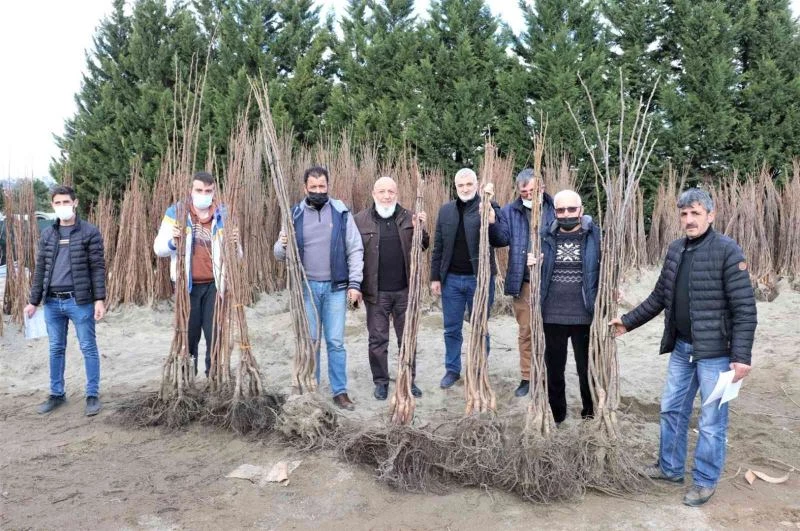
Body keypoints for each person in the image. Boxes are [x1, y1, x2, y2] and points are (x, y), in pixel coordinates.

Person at [610, 188, 757, 507]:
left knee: (711, 420)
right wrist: (627, 321)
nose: (689, 220)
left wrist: (741, 357)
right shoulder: (676, 250)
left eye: (695, 213)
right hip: (682, 349)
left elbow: (745, 308)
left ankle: (705, 481)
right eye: (684, 214)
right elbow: (659, 297)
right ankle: (670, 468)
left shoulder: (728, 251)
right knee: (671, 408)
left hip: (716, 355)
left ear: (710, 215)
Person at [274, 166, 364, 410]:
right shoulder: (294, 214)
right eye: (312, 187)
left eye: (321, 186)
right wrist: (283, 245)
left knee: (335, 341)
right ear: (305, 188)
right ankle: (312, 386)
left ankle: (340, 392)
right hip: (306, 288)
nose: (317, 191)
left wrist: (355, 284)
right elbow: (279, 254)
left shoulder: (341, 212)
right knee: (311, 340)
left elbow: (355, 249)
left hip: (336, 288)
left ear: (328, 186)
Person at [24, 185, 106, 417]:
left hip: (79, 301)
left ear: (75, 203)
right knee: (55, 348)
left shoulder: (89, 232)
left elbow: (97, 267)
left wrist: (99, 299)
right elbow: (41, 269)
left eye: (66, 202)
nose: (62, 207)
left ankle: (92, 394)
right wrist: (33, 301)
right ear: (52, 205)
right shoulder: (48, 234)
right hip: (52, 302)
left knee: (88, 346)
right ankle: (57, 394)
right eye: (57, 203)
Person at [354, 176, 429, 400]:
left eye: (391, 192)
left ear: (397, 194)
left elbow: (423, 246)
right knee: (377, 339)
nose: (386, 196)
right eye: (382, 192)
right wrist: (355, 286)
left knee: (407, 337)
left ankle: (408, 379)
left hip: (404, 291)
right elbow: (354, 255)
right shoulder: (360, 220)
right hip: (375, 293)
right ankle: (381, 382)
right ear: (373, 194)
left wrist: (421, 229)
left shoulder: (409, 217)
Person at [154, 171, 229, 377]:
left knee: (214, 334)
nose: (203, 194)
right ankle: (188, 378)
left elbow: (237, 254)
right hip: (187, 286)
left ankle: (213, 376)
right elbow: (159, 248)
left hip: (215, 285)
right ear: (191, 190)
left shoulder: (223, 214)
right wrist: (173, 242)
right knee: (189, 335)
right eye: (199, 190)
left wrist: (234, 244)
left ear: (214, 191)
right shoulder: (177, 213)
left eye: (208, 191)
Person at [430, 168, 500, 389]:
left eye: (469, 184)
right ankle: (452, 370)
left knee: (480, 326)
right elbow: (438, 246)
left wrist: (491, 218)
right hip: (451, 280)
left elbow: (499, 239)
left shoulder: (487, 206)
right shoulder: (446, 211)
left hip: (479, 279)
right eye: (461, 185)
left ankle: (479, 368)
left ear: (477, 184)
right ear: (455, 186)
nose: (465, 189)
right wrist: (435, 277)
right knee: (451, 328)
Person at [488, 168, 556, 397]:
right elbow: (500, 239)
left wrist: (546, 254)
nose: (528, 195)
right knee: (526, 331)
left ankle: (547, 375)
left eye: (533, 190)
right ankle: (527, 377)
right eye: (524, 191)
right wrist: (491, 221)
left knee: (550, 331)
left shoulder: (556, 208)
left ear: (543, 188)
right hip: (524, 282)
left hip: (552, 281)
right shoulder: (510, 211)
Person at [536, 190, 599, 424]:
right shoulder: (544, 236)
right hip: (552, 315)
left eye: (571, 209)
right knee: (554, 370)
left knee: (587, 369)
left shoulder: (595, 236)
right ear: (554, 212)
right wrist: (532, 265)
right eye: (561, 210)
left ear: (581, 210)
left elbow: (605, 268)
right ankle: (557, 415)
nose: (566, 214)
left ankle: (590, 413)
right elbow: (535, 274)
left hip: (584, 314)